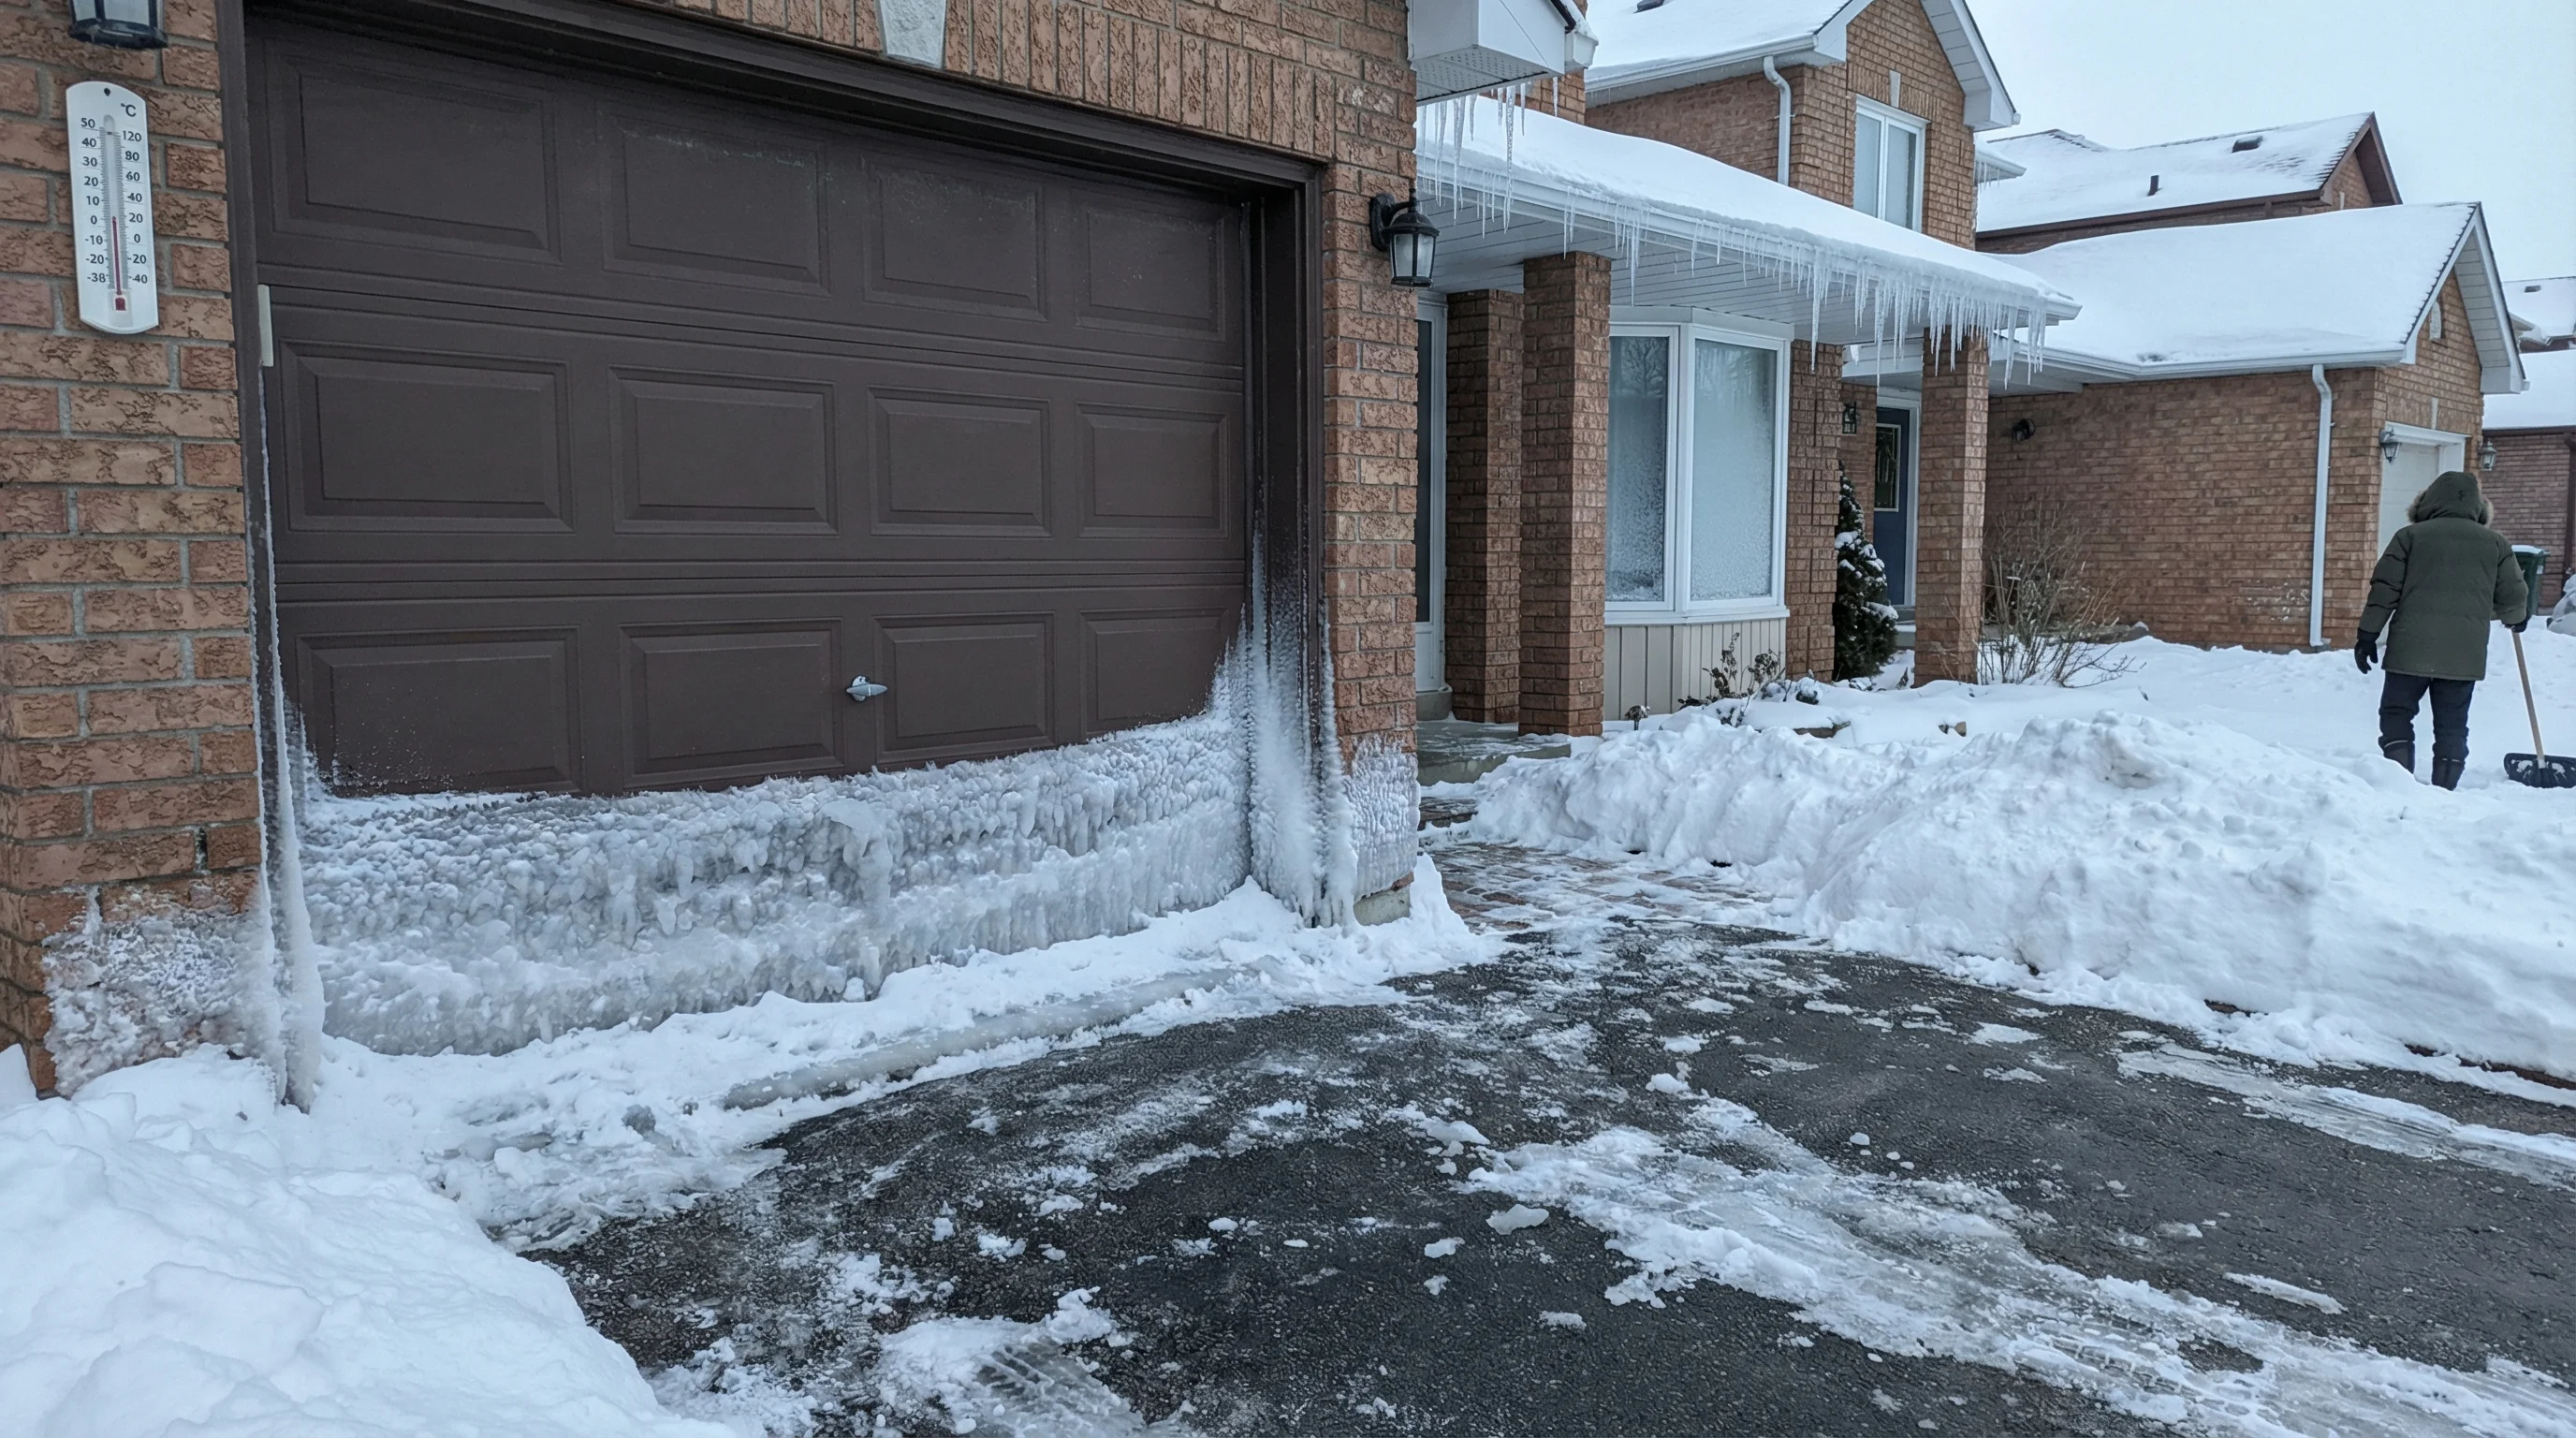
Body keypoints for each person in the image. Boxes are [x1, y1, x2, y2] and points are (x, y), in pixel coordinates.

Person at [2353, 469, 2529, 789]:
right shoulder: (2496, 544)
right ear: (2478, 506)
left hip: (2410, 649)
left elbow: (2384, 589)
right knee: (2452, 726)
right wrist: (2515, 616)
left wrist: (2367, 634)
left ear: (2428, 501)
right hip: (2464, 654)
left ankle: (2399, 783)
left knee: (2396, 712)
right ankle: (2444, 790)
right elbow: (2514, 594)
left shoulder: (2410, 537)